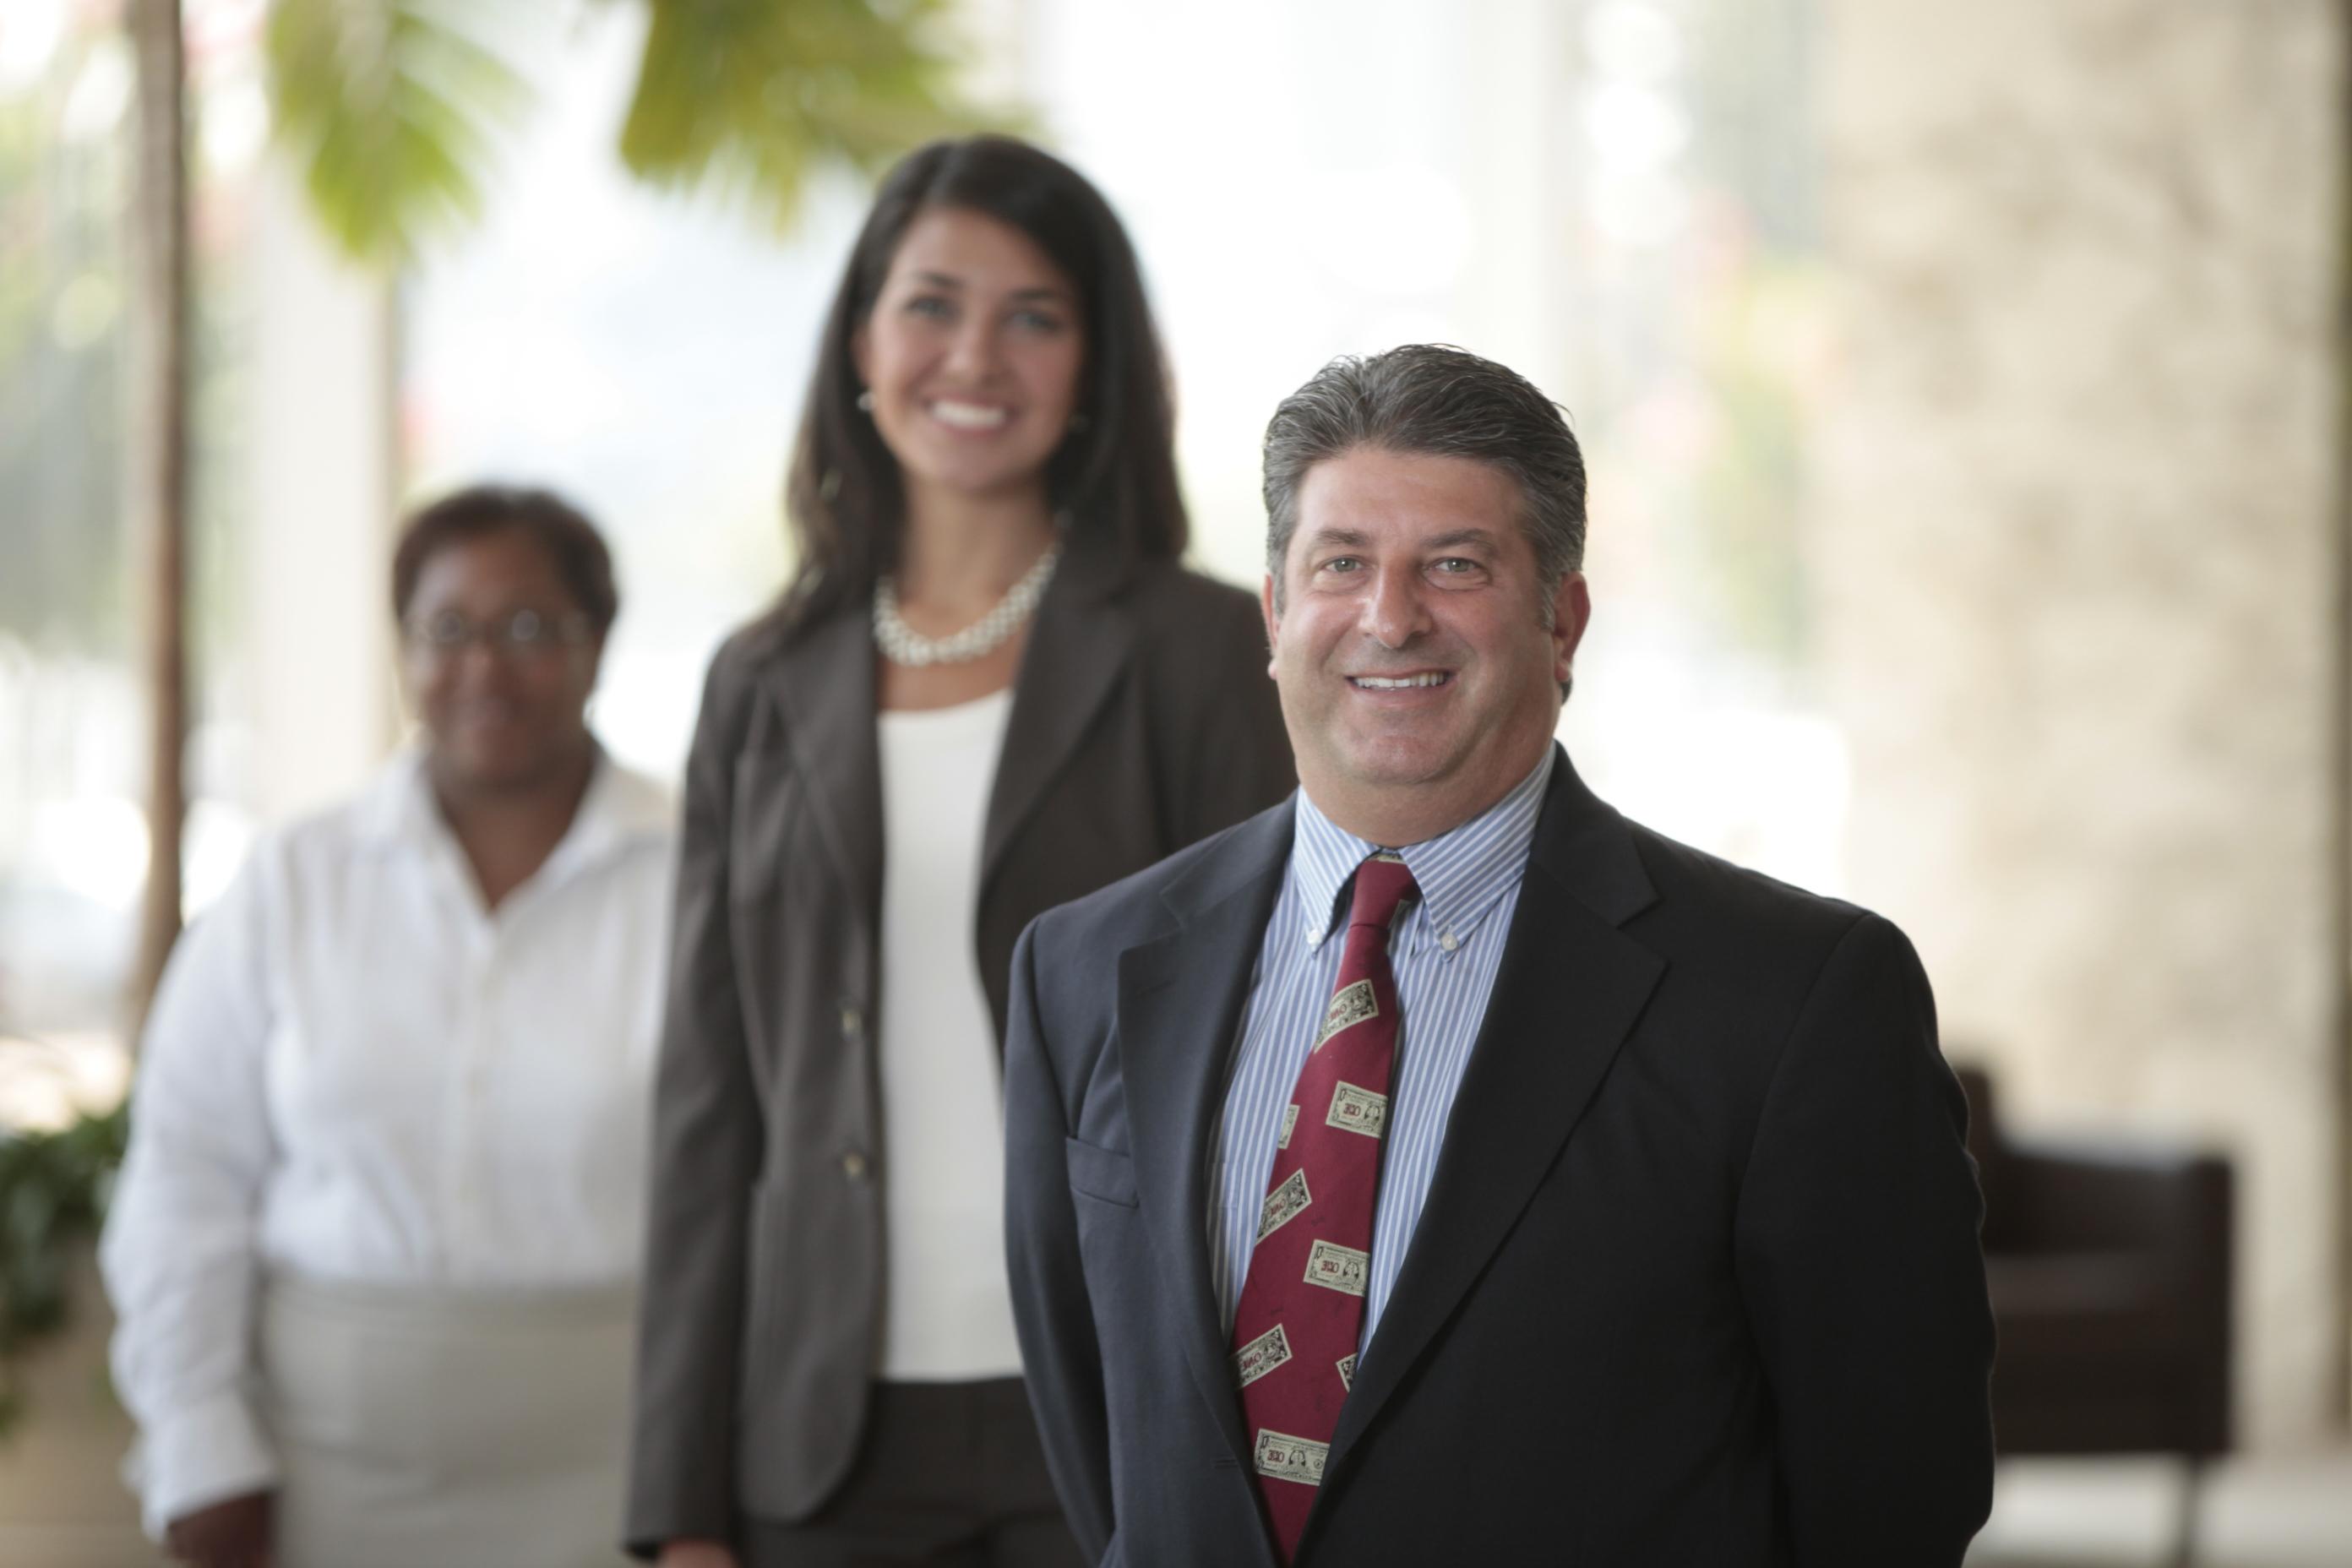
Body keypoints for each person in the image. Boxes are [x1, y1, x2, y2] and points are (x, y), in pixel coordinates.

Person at [1003, 344, 1996, 1567]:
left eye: (1456, 566)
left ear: (1561, 618)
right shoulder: (1084, 972)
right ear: (1274, 612)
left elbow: (1895, 1495)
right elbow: (1099, 1449)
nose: (1390, 615)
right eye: (1342, 564)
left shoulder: (1795, 1002)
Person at [623, 135, 1293, 1568]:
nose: (973, 354)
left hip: (1121, 1410)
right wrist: (675, 1505)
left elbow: (1281, 1055)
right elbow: (705, 1106)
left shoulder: (1201, 652)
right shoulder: (758, 679)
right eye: (930, 303)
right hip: (817, 1440)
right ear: (860, 341)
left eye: (1033, 316)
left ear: (1095, 366)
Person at [101, 486, 674, 1568]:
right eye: (446, 629)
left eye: (530, 628)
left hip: (623, 1467)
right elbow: (186, 1168)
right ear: (403, 648)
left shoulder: (701, 874)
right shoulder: (293, 878)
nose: (485, 669)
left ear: (597, 646)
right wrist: (197, 1439)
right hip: (321, 1473)